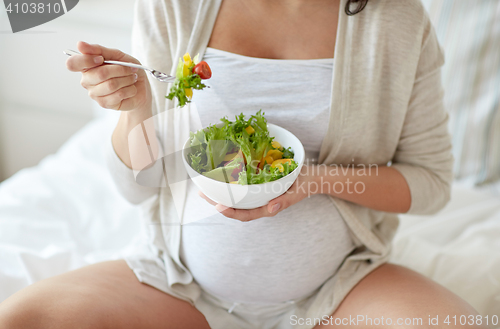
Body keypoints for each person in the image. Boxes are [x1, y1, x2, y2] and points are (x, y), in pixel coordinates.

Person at [0, 0, 488, 328]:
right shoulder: (176, 6)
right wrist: (137, 107)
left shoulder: (395, 20)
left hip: (341, 289)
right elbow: (136, 185)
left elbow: (429, 183)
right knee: (21, 317)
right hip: (179, 285)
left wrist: (313, 180)